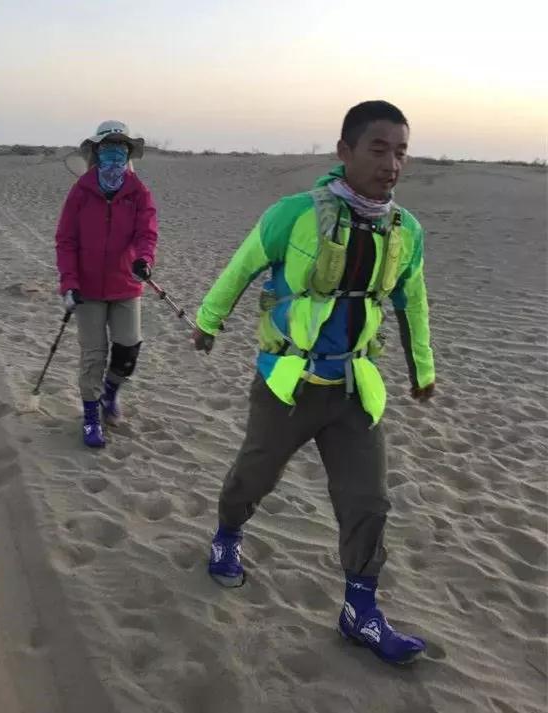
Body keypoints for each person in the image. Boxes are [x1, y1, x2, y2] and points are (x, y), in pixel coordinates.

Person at [193, 100, 435, 664]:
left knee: (368, 501)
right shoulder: (293, 214)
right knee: (253, 477)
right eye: (378, 149)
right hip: (288, 383)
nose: (391, 165)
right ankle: (227, 536)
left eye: (401, 152)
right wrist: (208, 321)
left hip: (354, 388)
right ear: (344, 151)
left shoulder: (406, 231)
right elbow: (242, 266)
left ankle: (360, 611)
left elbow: (413, 302)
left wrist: (423, 370)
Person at [55, 120, 158, 448]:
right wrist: (69, 283)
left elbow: (147, 233)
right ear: (97, 153)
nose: (114, 156)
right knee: (93, 355)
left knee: (128, 348)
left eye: (120, 149)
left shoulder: (138, 192)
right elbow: (66, 240)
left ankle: (109, 394)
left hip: (126, 283)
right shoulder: (81, 191)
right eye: (108, 149)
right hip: (86, 290)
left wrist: (144, 259)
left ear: (128, 154)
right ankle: (90, 417)